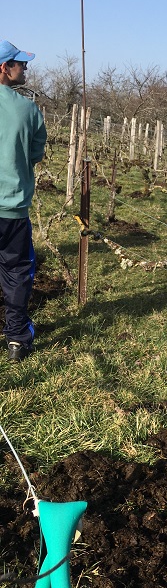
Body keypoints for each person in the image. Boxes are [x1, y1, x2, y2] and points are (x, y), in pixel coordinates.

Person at [0, 39, 47, 362]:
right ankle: (17, 338)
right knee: (17, 271)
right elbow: (35, 154)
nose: (26, 67)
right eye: (20, 63)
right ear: (5, 69)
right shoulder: (28, 111)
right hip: (12, 208)